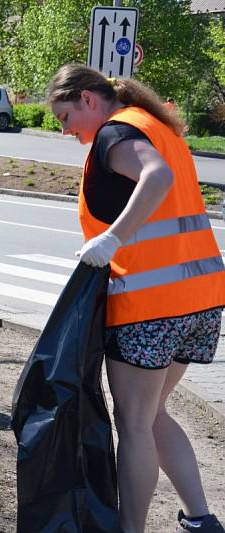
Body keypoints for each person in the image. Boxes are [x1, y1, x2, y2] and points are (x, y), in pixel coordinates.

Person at [47, 63, 225, 533]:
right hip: (199, 297)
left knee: (135, 424)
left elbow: (157, 178)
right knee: (152, 414)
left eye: (65, 118)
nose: (67, 132)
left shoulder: (115, 134)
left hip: (150, 306)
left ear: (88, 99)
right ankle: (201, 518)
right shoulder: (157, 125)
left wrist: (112, 240)